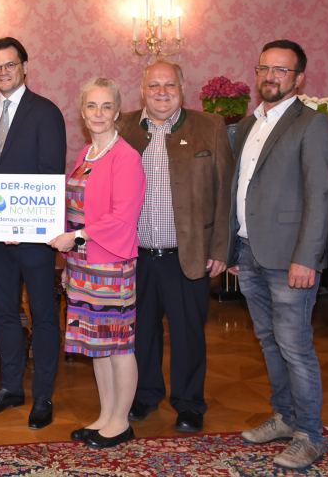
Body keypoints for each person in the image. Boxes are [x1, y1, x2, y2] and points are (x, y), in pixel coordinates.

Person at [231, 40, 328, 470]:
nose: (270, 76)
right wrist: (232, 247)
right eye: (265, 68)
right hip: (250, 251)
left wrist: (307, 258)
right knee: (268, 341)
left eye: (281, 70)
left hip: (290, 258)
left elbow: (322, 196)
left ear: (299, 79)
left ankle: (310, 435)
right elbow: (243, 189)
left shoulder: (314, 126)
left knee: (295, 346)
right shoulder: (248, 123)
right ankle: (285, 418)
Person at [117, 61, 233, 434]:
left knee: (188, 335)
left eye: (170, 85)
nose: (162, 92)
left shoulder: (209, 128)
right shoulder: (124, 128)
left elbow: (225, 193)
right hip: (138, 255)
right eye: (154, 86)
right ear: (142, 90)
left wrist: (221, 248)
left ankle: (189, 403)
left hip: (189, 255)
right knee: (141, 332)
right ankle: (146, 396)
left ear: (184, 88)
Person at [0, 37, 66, 429]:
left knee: (42, 314)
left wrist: (19, 223)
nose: (3, 72)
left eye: (10, 65)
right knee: (3, 313)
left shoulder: (46, 112)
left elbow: (50, 174)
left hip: (36, 237)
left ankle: (43, 394)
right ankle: (9, 387)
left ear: (24, 65)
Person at [49, 78, 145, 449]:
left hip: (110, 265)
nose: (99, 114)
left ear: (118, 111)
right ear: (83, 112)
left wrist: (76, 237)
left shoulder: (126, 157)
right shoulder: (86, 153)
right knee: (97, 344)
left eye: (107, 106)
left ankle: (121, 421)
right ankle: (106, 415)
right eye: (92, 106)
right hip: (83, 264)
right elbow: (72, 207)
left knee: (118, 345)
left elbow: (123, 217)